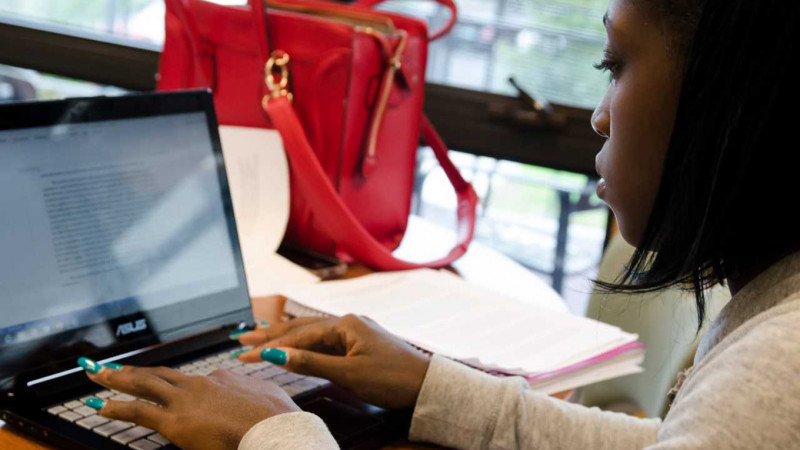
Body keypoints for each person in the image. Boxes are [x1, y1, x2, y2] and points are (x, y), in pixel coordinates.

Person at [76, 0, 800, 448]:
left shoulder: (780, 369)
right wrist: (430, 385)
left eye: (614, 63)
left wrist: (274, 432)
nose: (598, 114)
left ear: (734, 96)